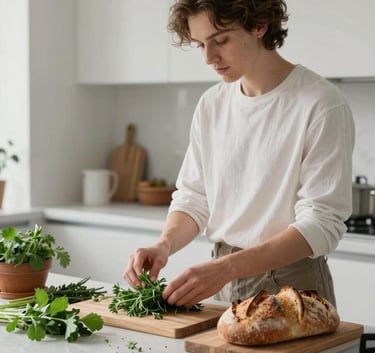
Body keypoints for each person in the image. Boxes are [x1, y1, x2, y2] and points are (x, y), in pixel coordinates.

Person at [123, 0, 355, 308]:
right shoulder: (212, 104)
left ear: (259, 25)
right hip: (222, 282)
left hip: (291, 287)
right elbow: (194, 198)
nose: (209, 57)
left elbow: (322, 224)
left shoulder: (320, 103)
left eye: (220, 40)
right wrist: (164, 245)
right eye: (200, 44)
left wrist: (228, 268)